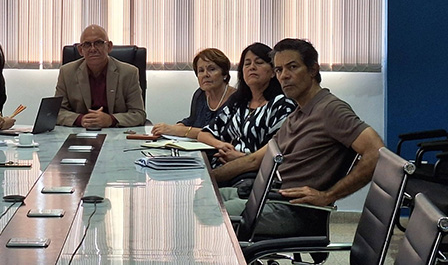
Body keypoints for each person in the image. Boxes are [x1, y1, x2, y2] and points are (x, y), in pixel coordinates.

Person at [214, 39, 384, 237]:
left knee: (209, 214)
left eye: (292, 67)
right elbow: (254, 160)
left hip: (293, 210)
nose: (284, 76)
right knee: (203, 198)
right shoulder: (298, 112)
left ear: (313, 70)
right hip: (271, 195)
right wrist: (208, 177)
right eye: (279, 70)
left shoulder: (331, 109)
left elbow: (377, 152)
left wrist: (328, 196)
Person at [198, 43, 296, 166]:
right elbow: (204, 134)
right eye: (247, 63)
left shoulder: (282, 104)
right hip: (222, 164)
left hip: (252, 171)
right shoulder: (238, 101)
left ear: (273, 72)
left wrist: (240, 157)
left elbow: (276, 151)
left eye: (259, 62)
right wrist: (221, 145)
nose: (252, 67)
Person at [55, 24, 146, 128]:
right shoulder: (67, 72)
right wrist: (80, 120)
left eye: (98, 43)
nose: (93, 49)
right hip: (80, 132)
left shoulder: (129, 73)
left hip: (115, 133)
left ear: (109, 46)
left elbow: (139, 114)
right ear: (80, 50)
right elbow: (57, 112)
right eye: (87, 44)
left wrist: (111, 120)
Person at [151, 48, 236, 139]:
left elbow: (219, 133)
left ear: (225, 74)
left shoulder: (236, 99)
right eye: (201, 71)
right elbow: (191, 120)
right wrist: (168, 128)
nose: (205, 74)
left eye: (212, 69)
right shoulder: (200, 94)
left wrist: (175, 130)